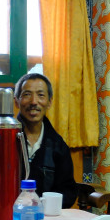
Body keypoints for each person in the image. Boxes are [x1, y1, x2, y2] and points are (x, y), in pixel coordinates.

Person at [14, 72, 78, 209]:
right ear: (16, 101)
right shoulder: (5, 140)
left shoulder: (58, 146)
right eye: (27, 94)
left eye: (40, 95)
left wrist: (42, 205)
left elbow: (68, 191)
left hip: (46, 217)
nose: (33, 102)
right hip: (10, 215)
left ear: (49, 102)